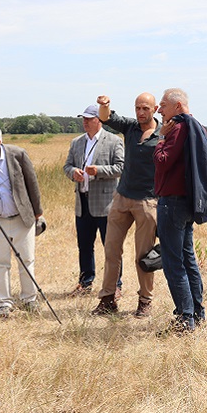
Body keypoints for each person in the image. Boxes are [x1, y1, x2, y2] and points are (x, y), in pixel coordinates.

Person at [91, 93, 173, 318]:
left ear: (155, 109)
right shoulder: (130, 127)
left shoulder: (164, 133)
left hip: (147, 201)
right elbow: (107, 118)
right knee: (111, 250)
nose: (140, 112)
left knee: (144, 255)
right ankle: (107, 299)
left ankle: (145, 300)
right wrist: (105, 105)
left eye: (145, 108)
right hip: (122, 197)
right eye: (137, 108)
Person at [154, 88, 207, 333]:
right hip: (186, 204)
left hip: (172, 204)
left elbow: (162, 161)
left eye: (162, 105)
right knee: (188, 260)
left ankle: (185, 319)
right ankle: (197, 312)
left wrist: (160, 139)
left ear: (177, 106)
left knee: (174, 264)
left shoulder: (177, 129)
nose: (158, 109)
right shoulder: (197, 128)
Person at [0, 122, 44, 318]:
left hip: (21, 219)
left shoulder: (17, 155)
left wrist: (38, 214)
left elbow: (32, 184)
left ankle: (30, 299)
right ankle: (4, 303)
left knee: (26, 260)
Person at [64, 105, 125, 297]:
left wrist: (98, 171)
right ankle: (86, 282)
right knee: (84, 246)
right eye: (83, 118)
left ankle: (116, 285)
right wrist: (74, 173)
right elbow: (67, 166)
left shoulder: (114, 141)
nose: (85, 122)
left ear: (99, 120)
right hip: (82, 202)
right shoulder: (76, 142)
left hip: (106, 204)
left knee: (112, 247)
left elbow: (121, 167)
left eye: (89, 119)